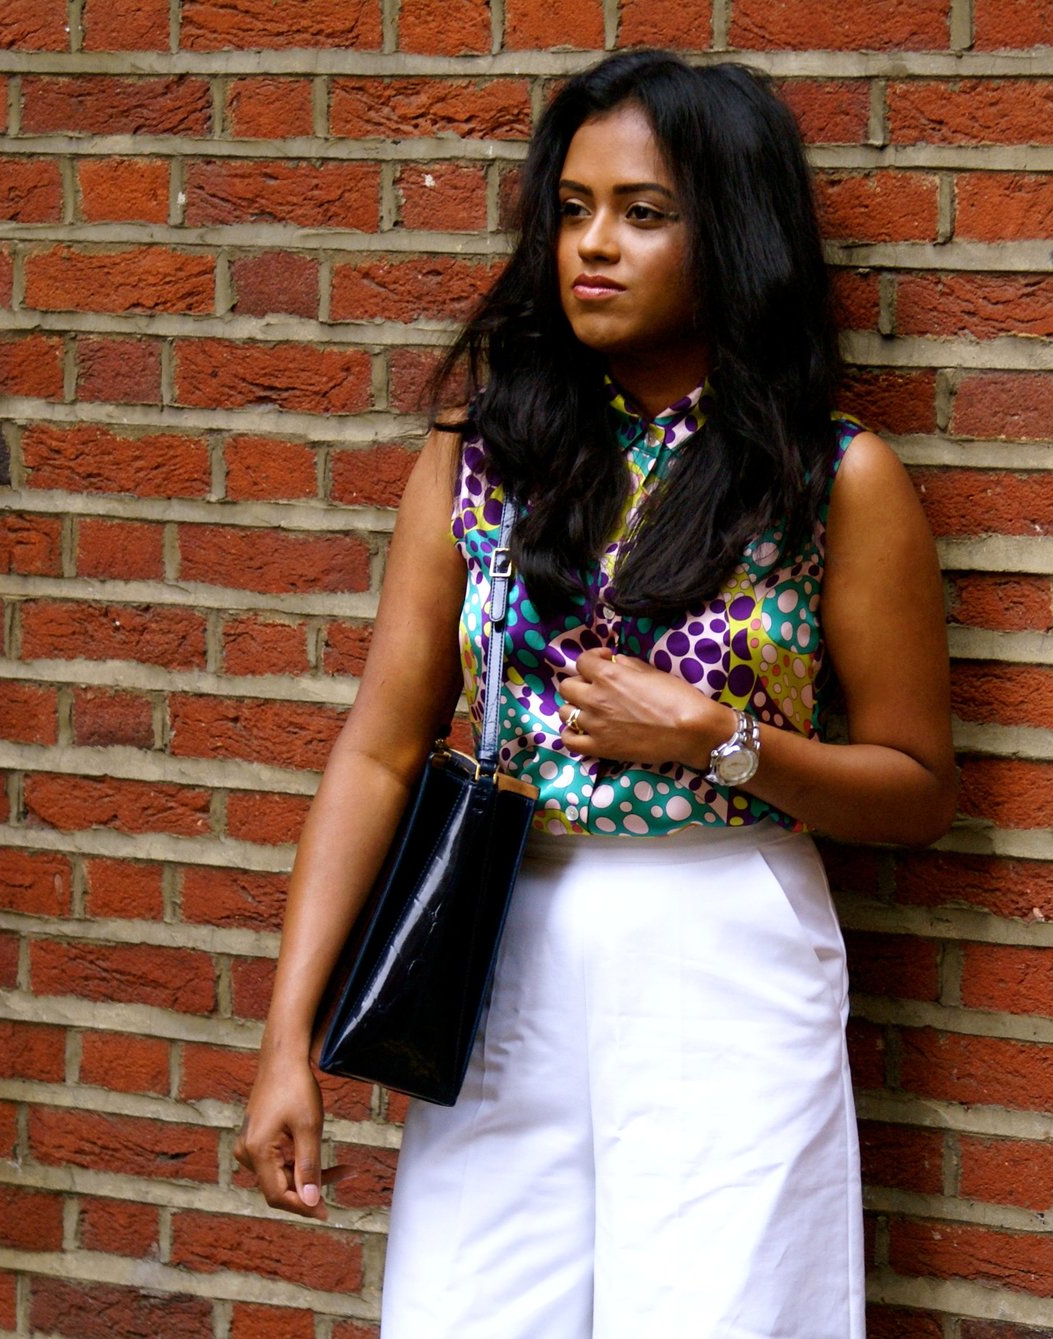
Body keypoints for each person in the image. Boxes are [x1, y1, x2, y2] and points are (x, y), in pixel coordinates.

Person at [234, 49, 957, 1338]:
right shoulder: (482, 460)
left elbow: (916, 792)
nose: (594, 246)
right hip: (497, 938)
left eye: (644, 211)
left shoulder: (835, 481)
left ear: (729, 235)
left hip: (719, 945)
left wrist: (722, 742)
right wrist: (292, 1032)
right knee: (465, 1315)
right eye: (572, 210)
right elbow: (380, 751)